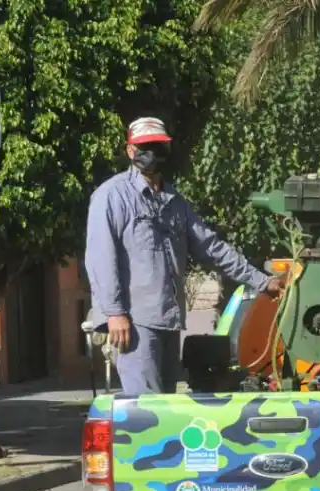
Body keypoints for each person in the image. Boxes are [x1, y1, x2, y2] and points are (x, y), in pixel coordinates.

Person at [84, 117, 284, 394]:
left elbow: (212, 248)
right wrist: (115, 313)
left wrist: (262, 281)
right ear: (130, 151)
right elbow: (100, 259)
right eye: (144, 147)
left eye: (157, 146)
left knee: (165, 410)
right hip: (135, 323)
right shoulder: (111, 196)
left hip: (168, 320)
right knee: (146, 411)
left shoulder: (174, 201)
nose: (151, 153)